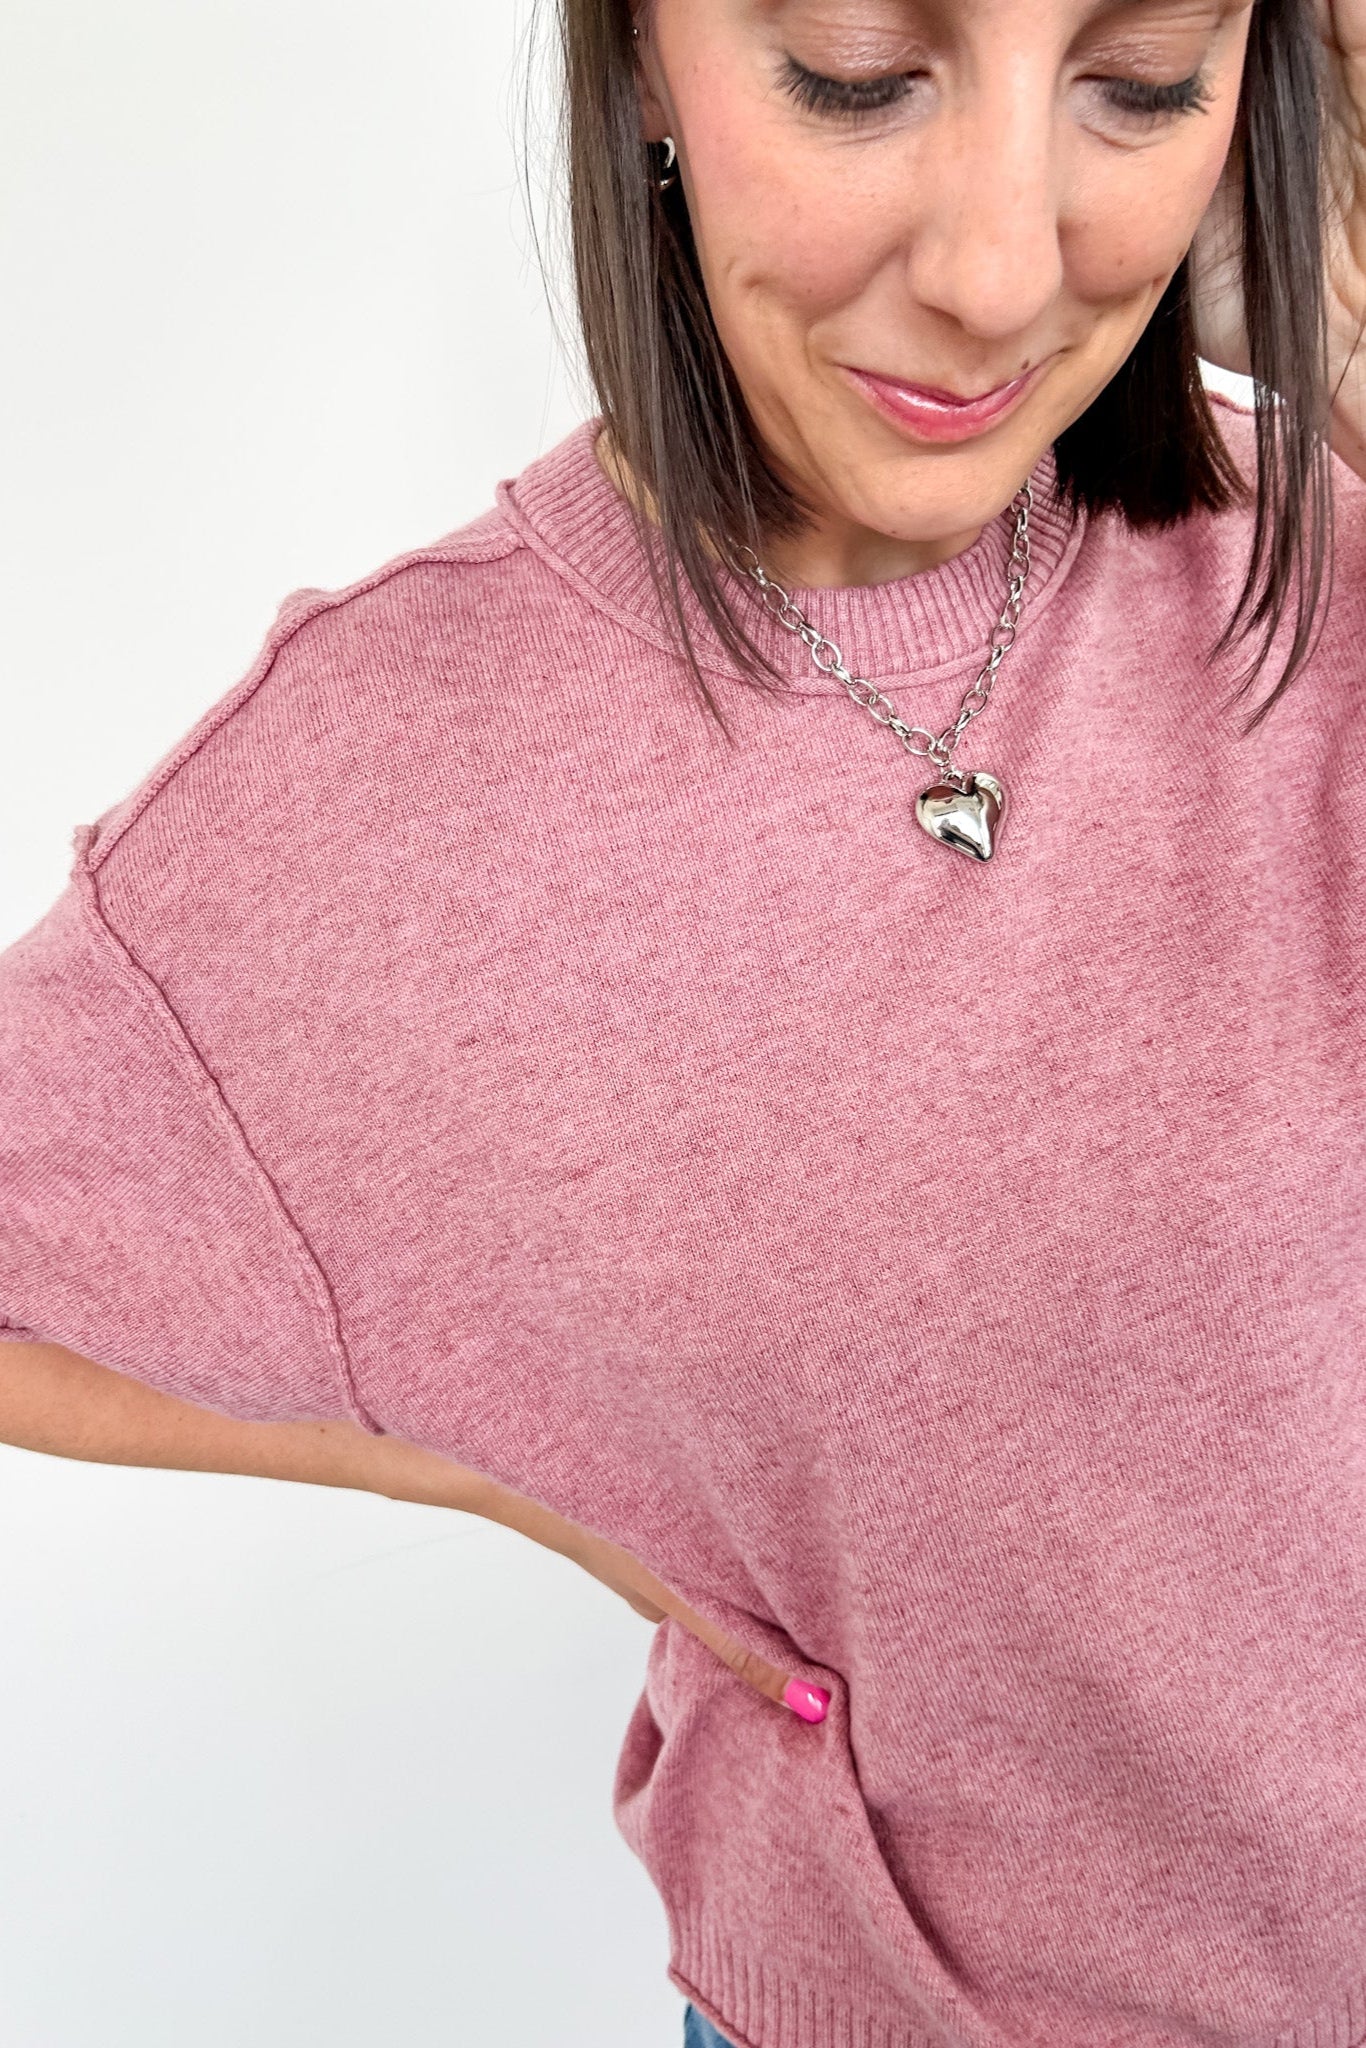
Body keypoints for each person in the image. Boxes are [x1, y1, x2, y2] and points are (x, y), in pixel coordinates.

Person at [4, 0, 1366, 2042]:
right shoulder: (375, 780)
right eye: (850, 69)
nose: (1002, 268)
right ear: (639, 53)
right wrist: (474, 1456)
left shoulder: (1317, 541)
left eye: (1139, 83)